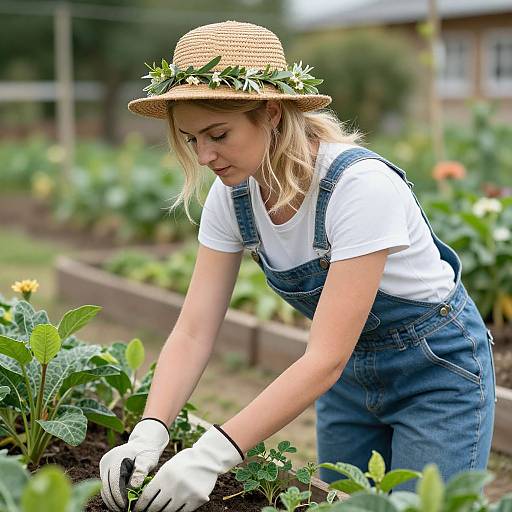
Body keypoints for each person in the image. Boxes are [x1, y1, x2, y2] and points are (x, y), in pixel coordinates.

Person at [99, 20, 496, 512]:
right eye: (190, 138)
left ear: (270, 112)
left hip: (433, 374)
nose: (204, 156)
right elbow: (194, 330)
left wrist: (211, 455)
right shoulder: (233, 198)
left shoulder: (359, 187)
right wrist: (149, 430)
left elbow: (324, 355)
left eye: (217, 134)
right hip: (347, 382)